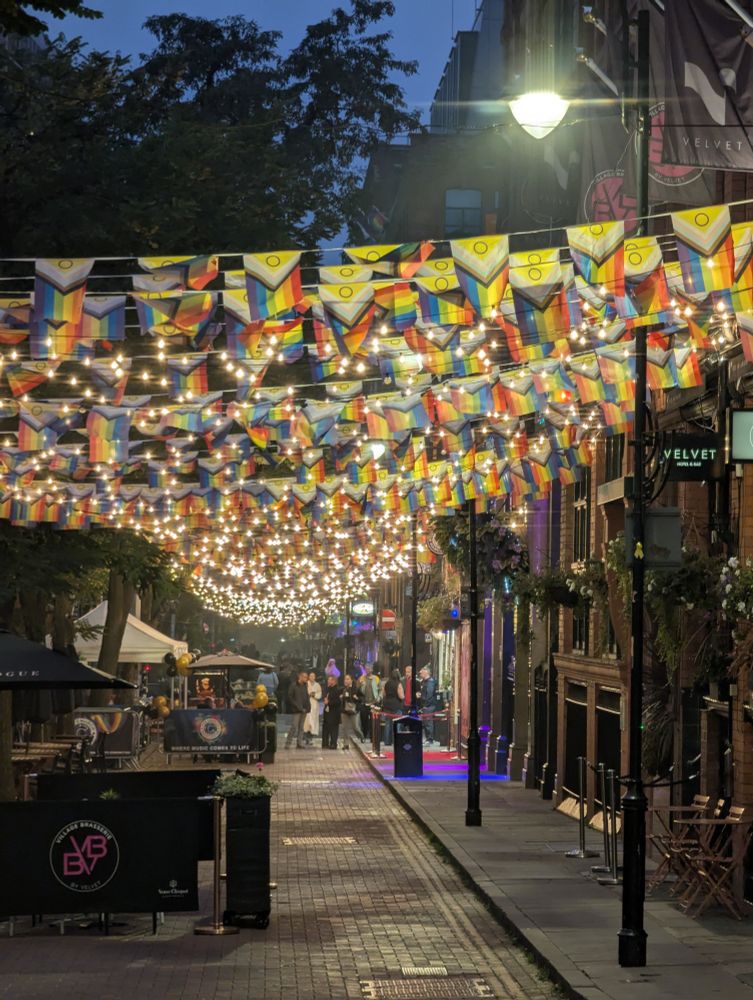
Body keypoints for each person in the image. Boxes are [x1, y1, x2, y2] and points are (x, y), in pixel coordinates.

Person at [285, 669, 311, 749]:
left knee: (301, 727)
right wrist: (296, 706)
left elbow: (306, 697)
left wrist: (308, 707)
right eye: (304, 677)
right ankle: (288, 743)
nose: (306, 679)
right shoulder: (293, 685)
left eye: (307, 677)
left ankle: (299, 743)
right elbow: (290, 697)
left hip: (304, 709)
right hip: (297, 709)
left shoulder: (305, 685)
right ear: (300, 677)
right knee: (294, 726)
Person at [381, 668, 404, 747]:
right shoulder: (398, 684)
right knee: (397, 723)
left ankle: (387, 741)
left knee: (388, 723)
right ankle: (396, 740)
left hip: (387, 705)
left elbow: (383, 694)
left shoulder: (386, 683)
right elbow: (401, 696)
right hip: (396, 705)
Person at [357, 663, 379, 744]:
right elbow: (357, 690)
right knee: (364, 721)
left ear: (372, 669)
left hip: (373, 703)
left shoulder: (376, 678)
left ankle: (372, 738)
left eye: (369, 669)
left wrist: (379, 698)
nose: (367, 670)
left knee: (373, 721)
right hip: (364, 703)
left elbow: (380, 689)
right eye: (366, 669)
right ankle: (363, 736)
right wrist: (360, 686)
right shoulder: (361, 679)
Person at [340, 674, 362, 750]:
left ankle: (361, 737)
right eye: (345, 679)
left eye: (348, 679)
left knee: (355, 727)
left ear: (351, 680)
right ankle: (346, 744)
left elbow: (362, 698)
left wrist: (357, 698)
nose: (346, 681)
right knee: (345, 728)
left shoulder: (356, 688)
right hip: (345, 710)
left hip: (354, 710)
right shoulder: (343, 689)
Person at [321, 675, 342, 750]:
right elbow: (324, 696)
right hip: (327, 711)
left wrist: (329, 702)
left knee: (334, 729)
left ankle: (333, 743)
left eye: (330, 680)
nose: (328, 681)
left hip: (334, 712)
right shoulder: (327, 689)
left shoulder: (338, 690)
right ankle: (325, 743)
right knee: (326, 727)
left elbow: (338, 701)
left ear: (334, 681)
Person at [419, 666, 438, 744]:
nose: (420, 674)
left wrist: (425, 705)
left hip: (429, 705)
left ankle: (430, 739)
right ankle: (428, 738)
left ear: (426, 672)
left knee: (428, 722)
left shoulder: (430, 682)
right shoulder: (425, 681)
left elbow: (429, 694)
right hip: (427, 704)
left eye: (421, 672)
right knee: (426, 721)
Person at [304, 671, 322, 743]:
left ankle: (311, 737)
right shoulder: (306, 684)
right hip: (307, 703)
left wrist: (314, 695)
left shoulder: (317, 685)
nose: (312, 677)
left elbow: (319, 694)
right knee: (307, 721)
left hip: (314, 704)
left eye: (313, 676)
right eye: (310, 676)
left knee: (313, 721)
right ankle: (305, 736)